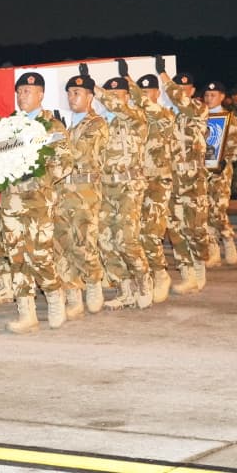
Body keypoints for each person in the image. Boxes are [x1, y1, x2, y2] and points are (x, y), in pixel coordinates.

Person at [0, 71, 72, 332]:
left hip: (38, 199)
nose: (22, 96)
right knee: (16, 255)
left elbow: (65, 163)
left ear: (41, 94)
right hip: (11, 200)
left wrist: (40, 178)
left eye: (27, 91)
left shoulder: (53, 126)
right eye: (19, 92)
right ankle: (26, 312)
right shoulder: (8, 126)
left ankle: (54, 297)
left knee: (40, 254)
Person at [94, 63, 151, 310]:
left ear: (127, 97)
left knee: (127, 238)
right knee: (105, 240)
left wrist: (96, 89)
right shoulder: (98, 124)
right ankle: (124, 288)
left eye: (120, 94)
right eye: (112, 94)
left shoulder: (136, 118)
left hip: (129, 185)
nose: (115, 99)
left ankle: (143, 280)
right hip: (105, 187)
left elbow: (119, 108)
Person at [59, 70, 108, 317]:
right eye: (69, 93)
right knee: (63, 244)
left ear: (90, 97)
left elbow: (79, 154)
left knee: (85, 242)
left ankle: (93, 284)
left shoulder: (96, 123)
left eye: (77, 93)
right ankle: (73, 294)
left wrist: (54, 141)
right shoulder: (65, 124)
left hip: (85, 192)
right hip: (62, 192)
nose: (72, 97)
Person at [160, 69, 211, 294]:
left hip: (193, 180)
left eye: (184, 88)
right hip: (172, 179)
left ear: (192, 91)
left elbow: (181, 101)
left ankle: (199, 267)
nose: (180, 92)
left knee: (195, 226)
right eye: (177, 88)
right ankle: (186, 273)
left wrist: (163, 76)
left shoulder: (198, 109)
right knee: (175, 228)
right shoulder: (166, 113)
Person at [133, 72, 175, 302]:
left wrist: (131, 85)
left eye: (148, 91)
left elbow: (151, 109)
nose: (144, 96)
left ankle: (160, 274)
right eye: (141, 91)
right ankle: (143, 277)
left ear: (157, 93)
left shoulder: (164, 114)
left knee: (151, 232)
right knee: (134, 233)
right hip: (137, 183)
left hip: (158, 182)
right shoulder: (134, 118)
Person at [203, 81, 237, 266]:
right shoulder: (199, 117)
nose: (209, 98)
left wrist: (225, 161)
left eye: (213, 95)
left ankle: (227, 238)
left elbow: (236, 145)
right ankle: (213, 249)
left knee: (218, 208)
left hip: (221, 172)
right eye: (206, 95)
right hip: (201, 171)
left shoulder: (230, 118)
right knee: (204, 209)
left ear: (222, 97)